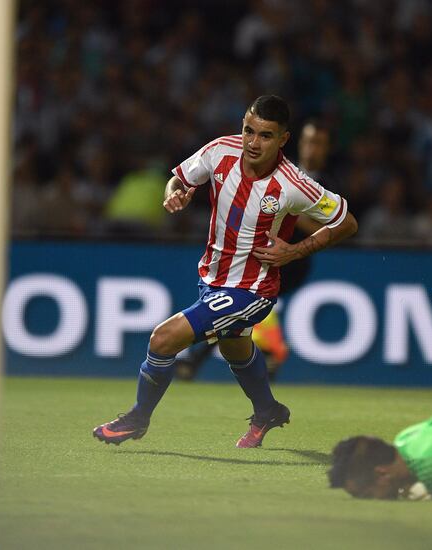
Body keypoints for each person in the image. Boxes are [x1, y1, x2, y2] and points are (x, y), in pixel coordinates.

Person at [93, 95, 358, 448]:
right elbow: (180, 179)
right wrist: (176, 194)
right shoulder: (220, 151)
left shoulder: (294, 183)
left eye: (265, 135)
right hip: (212, 280)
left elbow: (346, 223)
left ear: (283, 140)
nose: (252, 142)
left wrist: (295, 250)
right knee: (235, 348)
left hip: (253, 290)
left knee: (163, 339)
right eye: (249, 130)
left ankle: (137, 419)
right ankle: (267, 410)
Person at [173, 118, 334, 381]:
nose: (311, 148)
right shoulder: (282, 168)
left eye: (318, 144)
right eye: (308, 141)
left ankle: (261, 351)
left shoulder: (325, 184)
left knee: (240, 300)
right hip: (254, 253)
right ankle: (265, 355)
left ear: (327, 149)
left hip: (292, 258)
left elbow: (332, 223)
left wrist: (291, 213)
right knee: (235, 308)